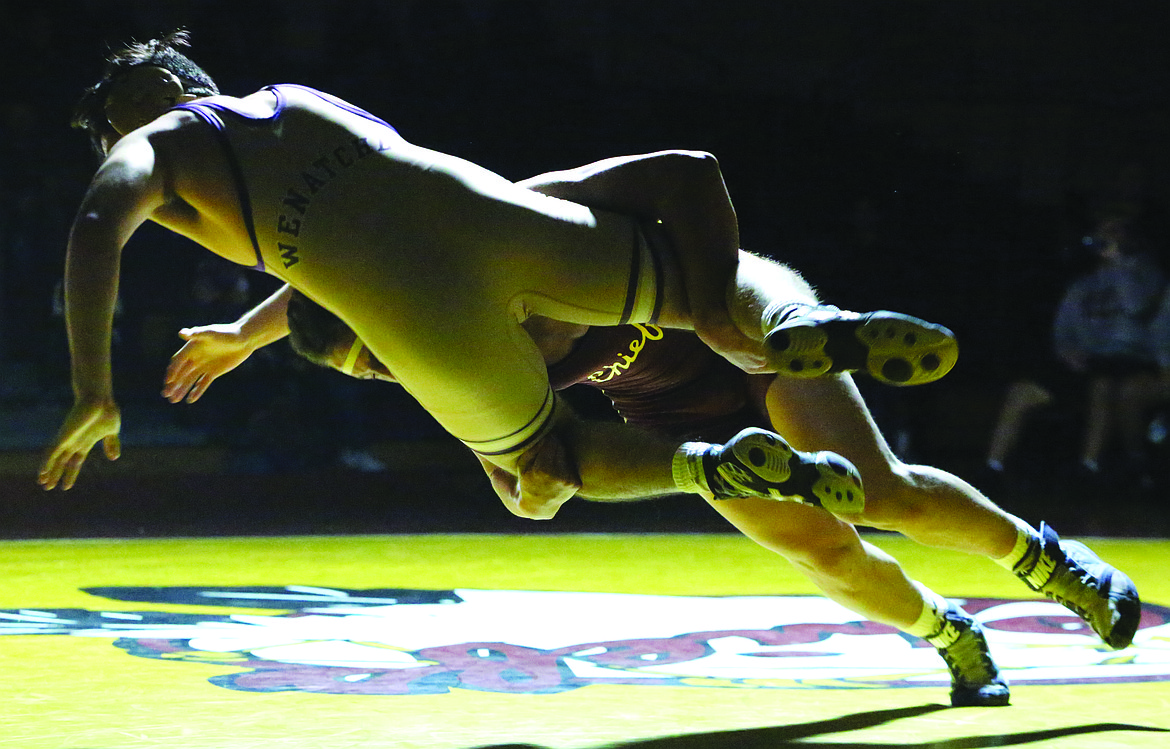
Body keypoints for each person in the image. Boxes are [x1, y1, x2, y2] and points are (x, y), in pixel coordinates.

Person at [40, 29, 956, 514]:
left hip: (422, 316)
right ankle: (794, 324)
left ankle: (714, 469)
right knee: (694, 278)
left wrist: (94, 387)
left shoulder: (152, 148)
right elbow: (361, 221)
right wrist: (248, 332)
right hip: (480, 213)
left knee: (542, 469)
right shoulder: (292, 98)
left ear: (141, 111)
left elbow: (92, 232)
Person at [985, 214, 1165, 479]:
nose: (1106, 239)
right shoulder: (1082, 284)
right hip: (1087, 362)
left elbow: (1135, 307)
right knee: (1021, 391)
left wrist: (1118, 265)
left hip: (1129, 361)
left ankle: (1088, 467)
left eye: (1113, 232)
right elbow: (1063, 329)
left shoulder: (1146, 273)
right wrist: (1067, 353)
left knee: (1102, 385)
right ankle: (992, 467)